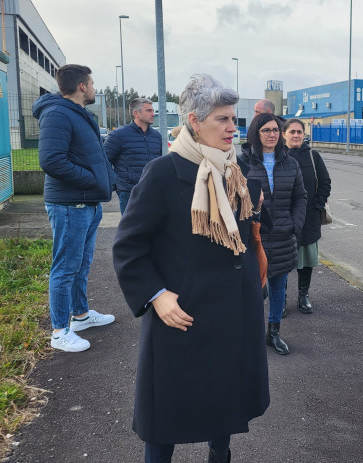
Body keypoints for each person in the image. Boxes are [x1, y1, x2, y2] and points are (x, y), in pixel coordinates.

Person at [112, 74, 269, 463]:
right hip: (183, 316)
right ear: (194, 122)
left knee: (224, 410)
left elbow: (242, 238)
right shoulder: (163, 173)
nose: (233, 127)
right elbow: (128, 246)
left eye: (234, 118)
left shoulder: (233, 169)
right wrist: (155, 295)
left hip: (232, 313)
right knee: (166, 417)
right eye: (222, 119)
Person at [33, 64, 117, 353]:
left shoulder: (80, 114)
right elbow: (52, 161)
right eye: (91, 83)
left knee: (81, 264)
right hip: (70, 204)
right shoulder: (57, 113)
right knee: (65, 269)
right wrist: (93, 181)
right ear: (82, 86)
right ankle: (59, 332)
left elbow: (93, 156)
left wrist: (106, 180)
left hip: (87, 202)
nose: (94, 88)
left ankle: (80, 316)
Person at [239, 113, 307, 355]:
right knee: (252, 289)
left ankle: (274, 333)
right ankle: (252, 333)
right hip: (253, 237)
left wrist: (294, 225)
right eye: (266, 130)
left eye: (276, 130)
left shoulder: (291, 163)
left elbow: (300, 197)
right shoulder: (241, 164)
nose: (272, 134)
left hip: (282, 236)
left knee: (279, 286)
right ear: (256, 134)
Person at [283, 119, 331, 314]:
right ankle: (281, 298)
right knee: (282, 261)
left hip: (309, 218)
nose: (296, 135)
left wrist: (317, 204)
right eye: (292, 132)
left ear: (304, 134)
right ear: (284, 134)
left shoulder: (313, 156)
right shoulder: (278, 156)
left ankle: (303, 296)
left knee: (307, 260)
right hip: (284, 218)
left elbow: (325, 182)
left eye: (299, 132)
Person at [104, 97, 163, 214]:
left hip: (152, 190)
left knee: (152, 228)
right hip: (128, 192)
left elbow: (158, 163)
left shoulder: (156, 137)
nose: (153, 114)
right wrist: (116, 185)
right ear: (136, 113)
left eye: (153, 110)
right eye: (149, 111)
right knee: (130, 230)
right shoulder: (118, 135)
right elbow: (104, 161)